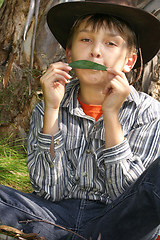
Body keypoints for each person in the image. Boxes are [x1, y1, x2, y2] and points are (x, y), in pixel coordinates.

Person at [1, 0, 160, 240]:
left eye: (110, 43)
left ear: (129, 61)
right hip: (53, 219)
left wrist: (111, 115)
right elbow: (48, 191)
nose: (95, 51)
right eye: (86, 40)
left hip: (118, 225)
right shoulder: (47, 107)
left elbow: (128, 196)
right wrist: (52, 110)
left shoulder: (148, 111)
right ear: (69, 53)